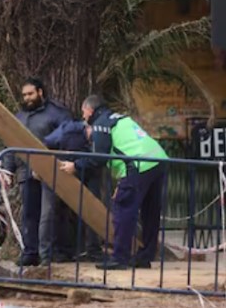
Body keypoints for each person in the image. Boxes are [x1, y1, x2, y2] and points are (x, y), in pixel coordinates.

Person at [58, 95, 168, 270]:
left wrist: (76, 166)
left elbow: (99, 158)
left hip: (137, 165)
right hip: (158, 161)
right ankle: (145, 256)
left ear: (90, 110)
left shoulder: (100, 125)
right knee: (150, 213)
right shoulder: (119, 119)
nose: (83, 117)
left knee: (123, 209)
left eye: (83, 112)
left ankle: (119, 258)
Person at [7, 78, 72, 266]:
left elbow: (67, 139)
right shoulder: (19, 116)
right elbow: (11, 142)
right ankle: (31, 252)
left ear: (40, 92)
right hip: (25, 172)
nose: (27, 98)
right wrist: (8, 168)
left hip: (50, 171)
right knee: (29, 214)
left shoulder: (57, 114)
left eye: (30, 94)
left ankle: (49, 254)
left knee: (50, 213)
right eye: (24, 95)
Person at [44, 118, 105, 261]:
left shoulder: (73, 130)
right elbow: (74, 155)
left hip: (75, 172)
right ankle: (57, 252)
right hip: (67, 171)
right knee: (60, 212)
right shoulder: (72, 132)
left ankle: (75, 250)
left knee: (72, 212)